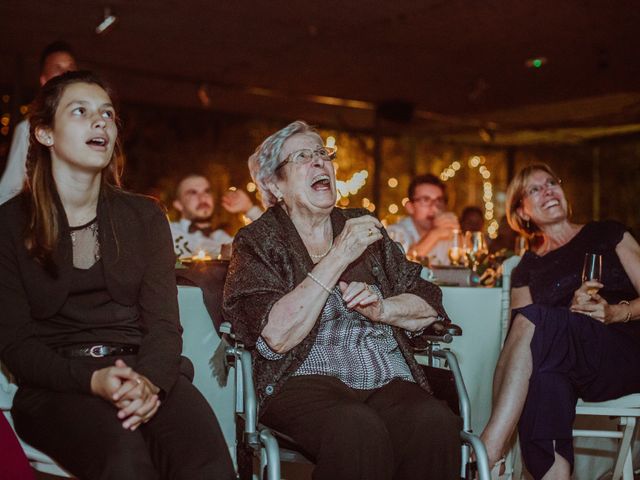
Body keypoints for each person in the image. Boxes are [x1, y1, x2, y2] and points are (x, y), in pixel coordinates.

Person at [0, 71, 235, 480]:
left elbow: (164, 326)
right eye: (81, 111)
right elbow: (17, 346)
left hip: (147, 371)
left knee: (208, 464)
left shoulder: (144, 216)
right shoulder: (10, 223)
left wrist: (150, 383)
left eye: (107, 114)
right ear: (44, 133)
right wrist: (94, 381)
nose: (101, 122)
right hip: (58, 386)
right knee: (125, 461)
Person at [223, 120, 461, 480]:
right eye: (303, 156)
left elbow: (429, 300)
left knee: (434, 422)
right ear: (274, 184)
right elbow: (275, 336)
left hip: (385, 375)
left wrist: (382, 309)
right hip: (300, 379)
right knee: (356, 428)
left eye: (323, 153)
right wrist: (339, 254)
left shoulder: (362, 224)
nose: (320, 162)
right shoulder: (259, 240)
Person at [479, 164, 640, 480]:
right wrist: (570, 309)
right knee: (544, 378)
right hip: (574, 364)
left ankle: (487, 451)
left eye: (551, 183)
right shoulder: (525, 268)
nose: (548, 190)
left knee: (534, 319)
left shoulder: (607, 233)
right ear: (522, 212)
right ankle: (556, 473)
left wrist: (616, 312)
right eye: (534, 189)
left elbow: (530, 324)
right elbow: (520, 345)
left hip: (625, 348)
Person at [0, 41, 78, 205]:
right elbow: (9, 189)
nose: (67, 73)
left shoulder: (88, 125)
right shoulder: (29, 128)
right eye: (58, 68)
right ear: (44, 80)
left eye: (71, 67)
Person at [170, 174, 261, 257]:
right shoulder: (169, 232)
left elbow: (271, 241)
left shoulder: (222, 238)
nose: (203, 197)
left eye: (207, 191)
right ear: (178, 204)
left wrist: (249, 208)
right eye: (193, 193)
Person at [387, 173, 459, 265]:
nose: (435, 208)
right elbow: (397, 270)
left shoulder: (447, 232)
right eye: (425, 200)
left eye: (439, 201)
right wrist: (434, 234)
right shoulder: (394, 233)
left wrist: (457, 235)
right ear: (410, 207)